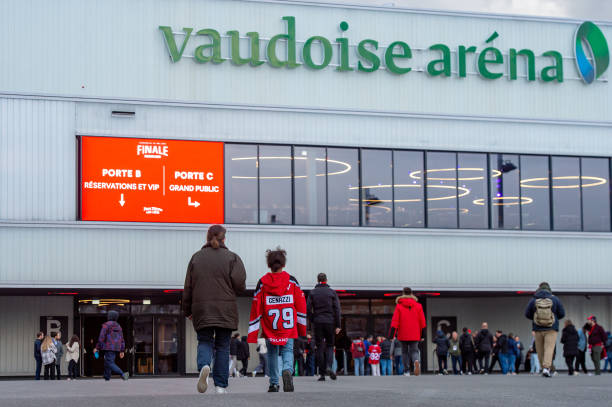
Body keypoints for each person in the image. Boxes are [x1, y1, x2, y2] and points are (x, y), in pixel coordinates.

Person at [183, 225, 247, 394]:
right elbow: (240, 285)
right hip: (225, 309)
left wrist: (187, 310)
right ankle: (220, 385)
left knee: (204, 341)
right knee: (223, 346)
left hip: (202, 308)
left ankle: (204, 365)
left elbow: (188, 287)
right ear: (224, 239)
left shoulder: (196, 258)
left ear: (207, 238)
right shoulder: (232, 258)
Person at [247, 247, 307, 393]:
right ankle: (287, 370)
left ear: (269, 265)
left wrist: (253, 331)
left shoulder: (262, 282)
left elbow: (256, 305)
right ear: (283, 264)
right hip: (288, 325)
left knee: (272, 353)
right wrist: (302, 327)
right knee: (288, 350)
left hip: (270, 326)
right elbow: (301, 304)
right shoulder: (292, 281)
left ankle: (274, 383)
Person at [524, 282, 566, 378]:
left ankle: (543, 367)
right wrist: (554, 319)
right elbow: (562, 313)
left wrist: (536, 319)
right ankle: (546, 368)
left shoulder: (534, 299)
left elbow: (527, 313)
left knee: (539, 349)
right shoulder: (555, 299)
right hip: (552, 328)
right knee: (549, 348)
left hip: (537, 328)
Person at [306, 272, 341, 382]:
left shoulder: (313, 292)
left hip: (318, 322)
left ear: (318, 280)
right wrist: (338, 325)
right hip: (330, 322)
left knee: (320, 347)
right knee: (330, 345)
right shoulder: (332, 292)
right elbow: (337, 310)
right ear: (326, 279)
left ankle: (321, 374)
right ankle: (329, 367)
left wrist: (313, 319)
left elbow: (307, 309)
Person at [390, 287, 426, 377]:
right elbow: (422, 321)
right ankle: (416, 361)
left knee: (404, 352)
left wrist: (391, 335)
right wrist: (422, 335)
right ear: (411, 293)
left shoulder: (399, 306)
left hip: (403, 334)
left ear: (403, 293)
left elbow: (395, 321)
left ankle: (406, 371)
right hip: (415, 333)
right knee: (414, 351)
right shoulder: (418, 306)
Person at [94, 310, 128, 381]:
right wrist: (122, 350)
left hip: (108, 346)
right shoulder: (119, 326)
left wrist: (97, 347)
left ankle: (123, 374)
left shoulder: (106, 325)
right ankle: (107, 376)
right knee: (108, 361)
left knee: (109, 362)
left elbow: (101, 337)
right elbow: (122, 339)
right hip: (116, 348)